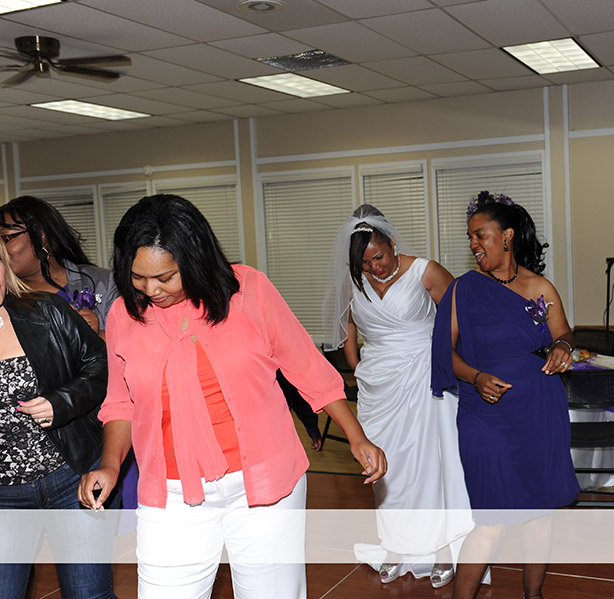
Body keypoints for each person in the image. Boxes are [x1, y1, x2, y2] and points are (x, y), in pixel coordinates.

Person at [78, 194, 386, 599]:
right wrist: (110, 466)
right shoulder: (124, 315)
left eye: (165, 277)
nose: (151, 289)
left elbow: (308, 368)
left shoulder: (248, 291)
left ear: (194, 259)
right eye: (138, 277)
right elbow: (122, 403)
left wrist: (356, 436)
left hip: (264, 485)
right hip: (171, 493)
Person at [430, 192, 580, 599]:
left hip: (539, 409)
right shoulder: (463, 290)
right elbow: (444, 352)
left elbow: (564, 333)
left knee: (540, 514)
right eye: (470, 237)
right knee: (492, 521)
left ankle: (534, 595)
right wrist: (476, 377)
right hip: (485, 414)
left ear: (507, 235)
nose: (473, 244)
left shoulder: (539, 286)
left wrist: (563, 347)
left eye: (480, 235)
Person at [322, 204, 471, 588]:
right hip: (378, 386)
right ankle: (396, 543)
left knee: (433, 464)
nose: (375, 267)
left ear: (391, 242)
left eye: (379, 257)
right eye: (365, 262)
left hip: (425, 377)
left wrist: (450, 362)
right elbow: (347, 326)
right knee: (387, 470)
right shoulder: (353, 282)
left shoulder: (426, 271)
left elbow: (462, 319)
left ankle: (443, 548)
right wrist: (356, 365)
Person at [0, 221, 116, 599]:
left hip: (70, 478)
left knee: (88, 594)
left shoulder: (45, 310)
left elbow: (102, 366)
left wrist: (62, 402)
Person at [0, 195, 118, 335]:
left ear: (41, 235)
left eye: (4, 239)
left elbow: (129, 342)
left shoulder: (103, 282)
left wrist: (96, 334)